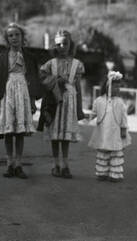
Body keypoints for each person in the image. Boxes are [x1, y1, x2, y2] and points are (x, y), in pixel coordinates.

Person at [0, 23, 42, 179]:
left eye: (17, 34)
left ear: (22, 37)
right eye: (10, 35)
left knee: (19, 131)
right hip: (7, 94)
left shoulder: (29, 58)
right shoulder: (0, 59)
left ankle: (18, 164)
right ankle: (9, 163)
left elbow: (33, 78)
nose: (14, 38)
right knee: (8, 131)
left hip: (23, 92)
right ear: (7, 39)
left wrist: (32, 101)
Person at [37, 30, 85, 179]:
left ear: (70, 44)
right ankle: (55, 164)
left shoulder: (77, 64)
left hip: (69, 102)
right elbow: (42, 79)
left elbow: (78, 87)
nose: (62, 46)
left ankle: (65, 164)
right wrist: (55, 79)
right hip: (54, 101)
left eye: (65, 43)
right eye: (59, 44)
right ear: (55, 46)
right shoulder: (51, 64)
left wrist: (79, 109)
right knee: (55, 134)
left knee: (65, 135)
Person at [88, 71, 131, 182]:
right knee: (103, 151)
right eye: (116, 87)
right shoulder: (99, 101)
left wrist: (123, 129)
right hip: (103, 132)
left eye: (119, 87)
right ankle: (102, 172)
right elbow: (94, 113)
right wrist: (85, 116)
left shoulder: (120, 102)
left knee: (115, 152)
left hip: (115, 132)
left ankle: (115, 174)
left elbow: (123, 117)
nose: (118, 89)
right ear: (108, 87)